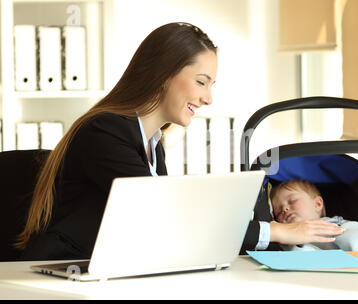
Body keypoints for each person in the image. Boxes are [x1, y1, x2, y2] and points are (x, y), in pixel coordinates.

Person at [17, 22, 218, 260]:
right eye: (201, 82)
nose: (208, 98)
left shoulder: (153, 145)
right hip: (61, 275)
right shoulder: (105, 131)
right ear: (164, 74)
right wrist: (267, 232)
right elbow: (164, 212)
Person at [270, 179, 358, 252]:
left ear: (317, 204)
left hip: (351, 260)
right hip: (310, 268)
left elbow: (354, 233)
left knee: (357, 234)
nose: (285, 208)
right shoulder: (284, 237)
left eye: (292, 201)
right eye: (278, 211)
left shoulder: (334, 223)